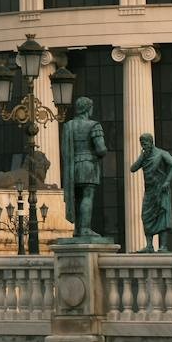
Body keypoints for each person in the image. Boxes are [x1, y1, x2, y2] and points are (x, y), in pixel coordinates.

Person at [60, 97, 108, 241]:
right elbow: (101, 149)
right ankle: (85, 229)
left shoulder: (68, 126)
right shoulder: (94, 125)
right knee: (87, 196)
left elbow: (64, 150)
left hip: (73, 166)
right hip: (88, 165)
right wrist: (103, 150)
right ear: (88, 109)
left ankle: (78, 229)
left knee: (77, 198)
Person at [129, 133, 172, 252]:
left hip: (161, 189)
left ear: (151, 143)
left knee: (162, 216)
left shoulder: (162, 154)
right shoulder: (144, 156)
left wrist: (167, 181)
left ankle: (163, 246)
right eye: (142, 144)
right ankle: (149, 246)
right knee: (146, 216)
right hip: (150, 191)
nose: (143, 146)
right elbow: (132, 169)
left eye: (145, 144)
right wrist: (141, 157)